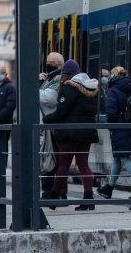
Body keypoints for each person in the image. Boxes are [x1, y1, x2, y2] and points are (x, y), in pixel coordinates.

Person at [42, 60, 99, 211]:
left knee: (63, 166)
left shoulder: (69, 87)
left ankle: (53, 199)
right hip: (86, 132)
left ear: (67, 73)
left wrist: (47, 120)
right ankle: (89, 199)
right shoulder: (91, 87)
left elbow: (62, 111)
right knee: (84, 165)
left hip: (70, 133)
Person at [97, 66, 131, 199]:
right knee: (117, 158)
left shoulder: (113, 90)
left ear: (113, 76)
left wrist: (111, 124)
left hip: (118, 127)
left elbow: (111, 111)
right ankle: (109, 188)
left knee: (124, 158)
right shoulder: (130, 86)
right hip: (129, 125)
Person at [39, 52, 64, 196]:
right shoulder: (51, 77)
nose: (47, 65)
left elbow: (49, 99)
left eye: (49, 62)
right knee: (48, 158)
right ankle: (49, 191)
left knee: (51, 158)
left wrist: (37, 86)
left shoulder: (58, 78)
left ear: (56, 63)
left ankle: (54, 191)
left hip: (53, 124)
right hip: (47, 124)